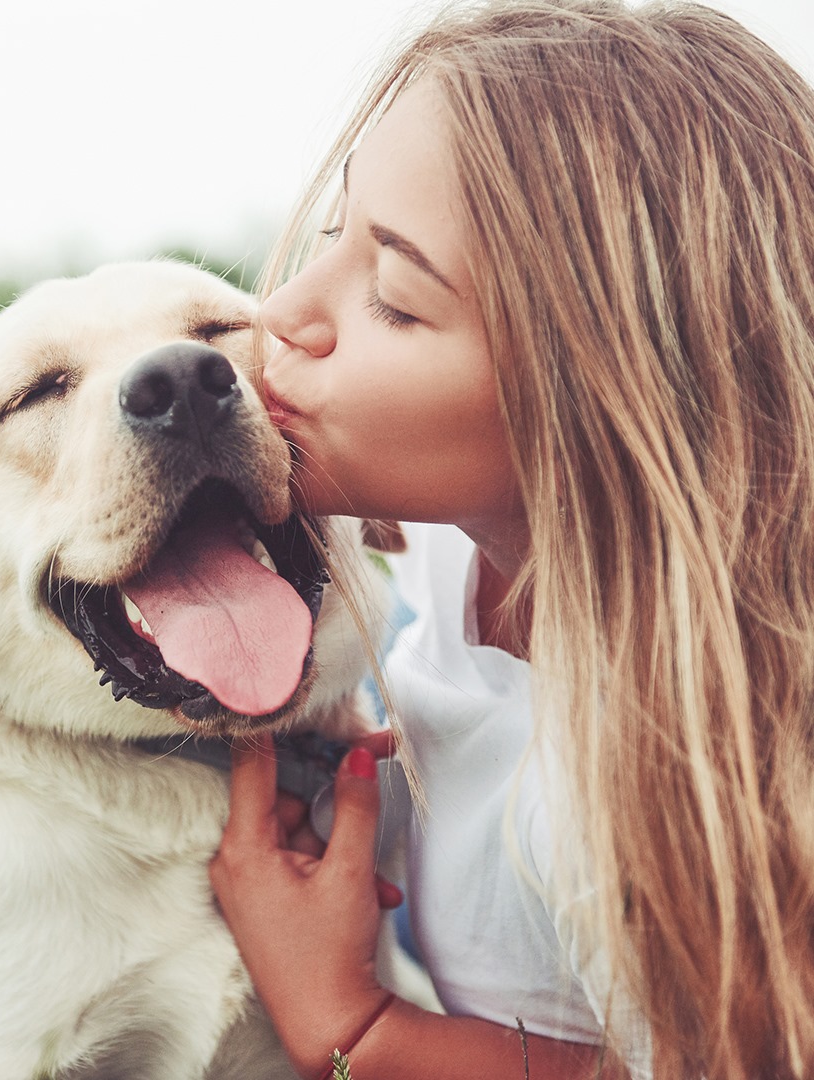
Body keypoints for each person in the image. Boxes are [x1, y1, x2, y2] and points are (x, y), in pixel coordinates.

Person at [207, 2, 814, 1078]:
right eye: (331, 237)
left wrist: (349, 1024)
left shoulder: (639, 790)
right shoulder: (452, 546)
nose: (286, 310)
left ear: (604, 395)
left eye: (394, 297)